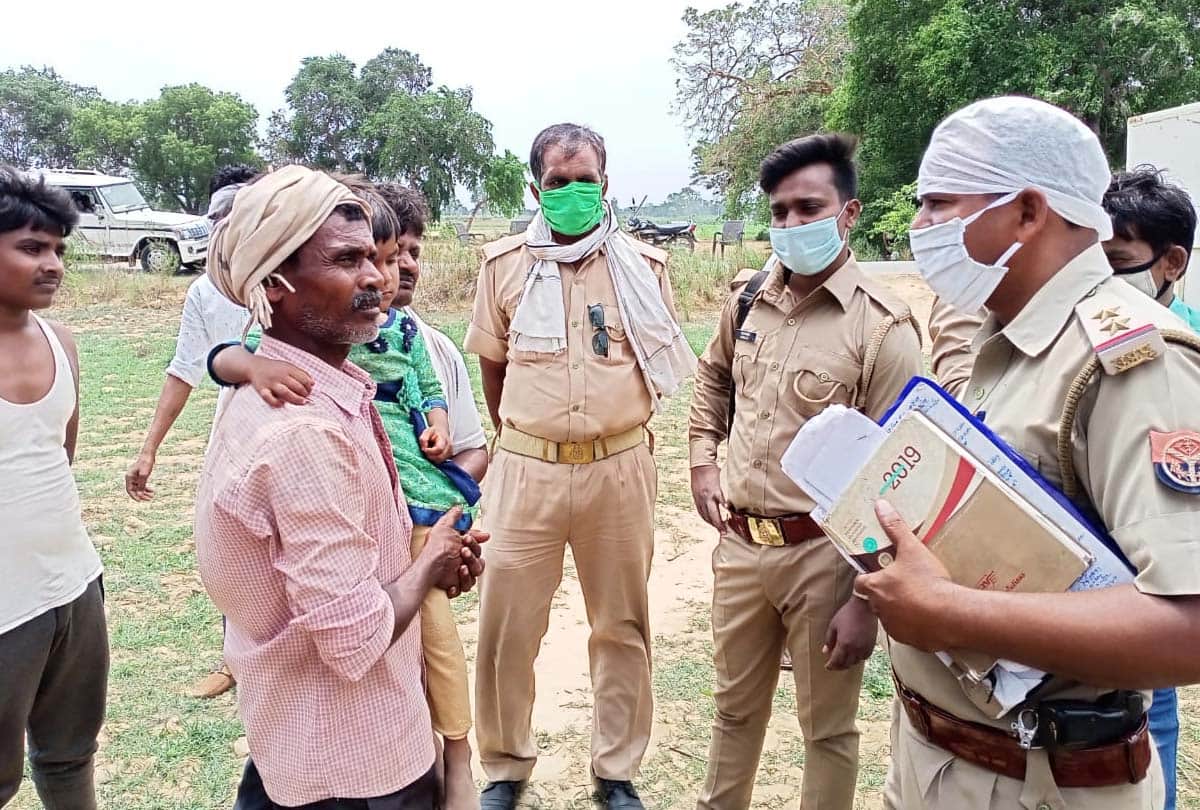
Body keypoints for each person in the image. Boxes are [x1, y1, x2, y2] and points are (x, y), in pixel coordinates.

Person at [856, 96, 1200, 810]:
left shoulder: (1131, 360)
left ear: (1028, 211)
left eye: (939, 204)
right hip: (940, 761)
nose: (920, 228)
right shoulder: (1006, 340)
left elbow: (1188, 626)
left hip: (1043, 784)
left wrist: (949, 613)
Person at [195, 164, 486, 810]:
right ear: (276, 285)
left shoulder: (330, 391)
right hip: (357, 767)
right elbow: (354, 636)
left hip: (321, 744)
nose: (378, 277)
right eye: (349, 260)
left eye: (377, 258)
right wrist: (431, 559)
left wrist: (428, 568)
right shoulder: (302, 433)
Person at [688, 134, 924, 810]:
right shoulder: (747, 301)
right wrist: (704, 460)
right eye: (781, 211)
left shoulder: (883, 328)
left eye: (808, 208)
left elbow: (897, 473)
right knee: (733, 712)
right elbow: (711, 382)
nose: (791, 225)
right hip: (740, 549)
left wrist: (865, 598)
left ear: (848, 214)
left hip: (826, 556)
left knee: (826, 731)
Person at [465, 123, 696, 810]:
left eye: (584, 180)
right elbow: (494, 370)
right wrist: (530, 435)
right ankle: (506, 767)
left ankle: (616, 770)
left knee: (621, 625)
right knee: (508, 625)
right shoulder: (503, 266)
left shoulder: (644, 269)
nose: (571, 192)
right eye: (557, 182)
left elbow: (654, 370)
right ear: (536, 188)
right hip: (527, 468)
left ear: (605, 183)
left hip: (619, 467)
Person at [125, 164, 256, 699]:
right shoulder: (205, 292)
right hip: (235, 431)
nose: (225, 226)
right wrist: (148, 449)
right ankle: (234, 661)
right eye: (217, 217)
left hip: (298, 423)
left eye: (236, 215)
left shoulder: (295, 273)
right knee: (232, 543)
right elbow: (185, 368)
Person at [0, 167, 108, 809]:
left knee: (70, 758)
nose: (53, 265)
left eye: (60, 250)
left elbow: (60, 461)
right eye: (31, 247)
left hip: (72, 588)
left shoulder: (60, 343)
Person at [1104, 166, 1200, 331]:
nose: (1098, 275)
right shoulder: (1071, 337)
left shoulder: (1192, 348)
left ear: (1173, 263)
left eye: (1116, 261)